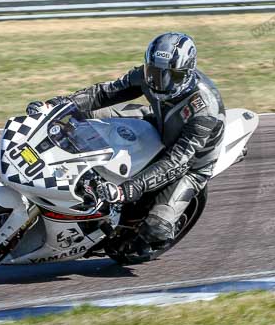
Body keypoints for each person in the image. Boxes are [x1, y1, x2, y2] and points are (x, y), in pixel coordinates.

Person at [27, 32, 225, 249]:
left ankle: (134, 242)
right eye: (155, 73)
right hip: (156, 123)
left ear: (187, 73)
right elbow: (103, 93)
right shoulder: (148, 76)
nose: (159, 83)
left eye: (170, 76)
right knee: (81, 117)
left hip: (190, 164)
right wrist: (55, 105)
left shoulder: (204, 110)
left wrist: (128, 189)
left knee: (156, 229)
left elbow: (176, 161)